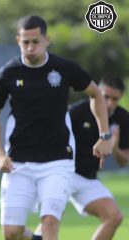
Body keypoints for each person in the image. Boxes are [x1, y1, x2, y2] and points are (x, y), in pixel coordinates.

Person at [0, 15, 112, 240]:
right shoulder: (6, 75)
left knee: (50, 221)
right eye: (25, 42)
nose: (30, 47)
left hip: (58, 160)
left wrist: (104, 135)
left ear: (47, 40)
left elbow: (96, 94)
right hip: (18, 162)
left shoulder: (63, 68)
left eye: (36, 41)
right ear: (18, 40)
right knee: (11, 232)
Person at [67, 76, 128, 239]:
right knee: (51, 219)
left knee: (114, 217)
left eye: (115, 98)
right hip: (63, 173)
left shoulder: (123, 118)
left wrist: (114, 147)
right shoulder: (76, 112)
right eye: (105, 96)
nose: (109, 103)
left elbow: (123, 162)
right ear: (96, 94)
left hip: (88, 178)